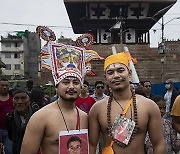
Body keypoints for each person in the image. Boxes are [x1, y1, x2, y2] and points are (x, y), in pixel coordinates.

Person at [89, 52, 166, 154]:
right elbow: (92, 145)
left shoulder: (149, 106)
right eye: (110, 72)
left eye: (120, 70)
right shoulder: (97, 109)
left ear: (129, 73)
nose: (116, 76)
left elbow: (159, 143)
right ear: (105, 78)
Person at [6, 87, 35, 154]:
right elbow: (11, 136)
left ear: (29, 100)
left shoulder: (37, 115)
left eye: (23, 98)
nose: (19, 102)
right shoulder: (10, 117)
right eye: (16, 99)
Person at [0, 78, 14, 154]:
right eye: (2, 85)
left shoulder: (13, 98)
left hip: (9, 131)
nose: (5, 87)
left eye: (6, 85)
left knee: (9, 151)